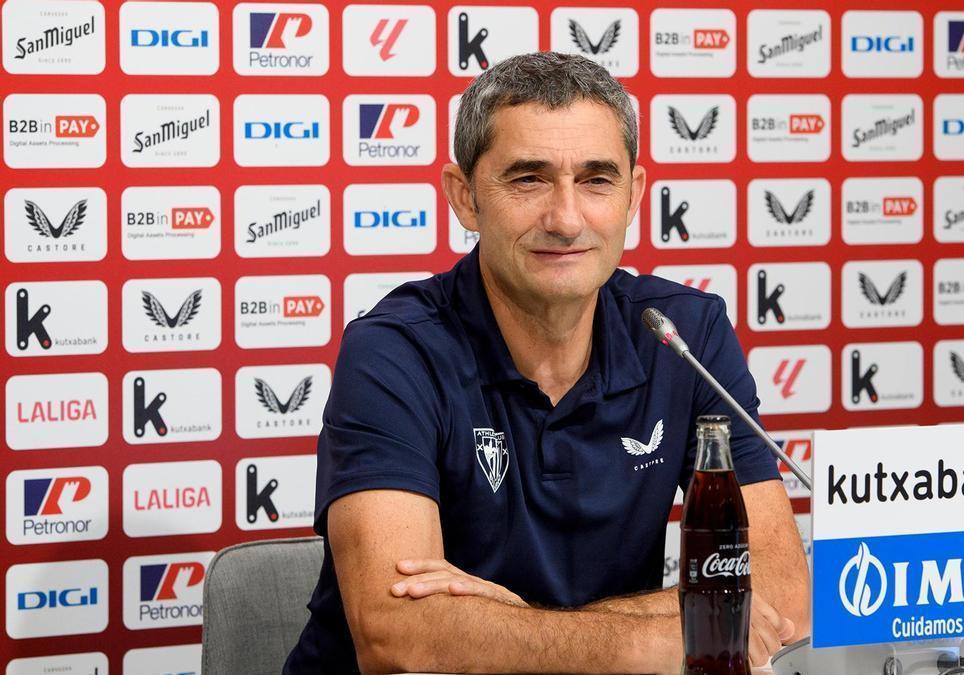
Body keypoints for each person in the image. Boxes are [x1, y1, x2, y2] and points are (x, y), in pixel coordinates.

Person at [284, 52, 810, 674]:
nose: (565, 219)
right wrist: (643, 638)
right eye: (528, 179)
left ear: (635, 194)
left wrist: (508, 623)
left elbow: (784, 599)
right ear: (466, 198)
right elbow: (396, 635)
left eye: (596, 179)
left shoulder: (683, 336)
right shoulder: (395, 351)